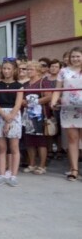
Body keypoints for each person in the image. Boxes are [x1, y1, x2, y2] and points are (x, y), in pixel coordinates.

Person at [50, 46, 82, 181]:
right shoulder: (63, 71)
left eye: (78, 56)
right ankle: (74, 169)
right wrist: (53, 101)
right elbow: (58, 89)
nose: (75, 59)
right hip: (68, 108)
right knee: (73, 139)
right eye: (73, 56)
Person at [0, 59, 23, 187]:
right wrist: (4, 116)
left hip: (13, 115)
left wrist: (9, 118)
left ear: (14, 70)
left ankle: (14, 175)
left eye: (9, 68)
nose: (6, 71)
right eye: (4, 68)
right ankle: (2, 174)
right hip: (0, 115)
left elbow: (18, 104)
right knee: (1, 148)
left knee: (14, 147)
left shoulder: (19, 86)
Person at [21, 61, 52, 175]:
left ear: (38, 70)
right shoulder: (25, 84)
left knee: (41, 142)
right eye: (27, 69)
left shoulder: (43, 82)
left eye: (31, 69)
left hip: (40, 116)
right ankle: (32, 164)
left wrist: (34, 102)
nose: (28, 71)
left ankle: (42, 165)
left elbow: (49, 96)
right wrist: (24, 102)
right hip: (27, 115)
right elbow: (21, 98)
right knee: (29, 141)